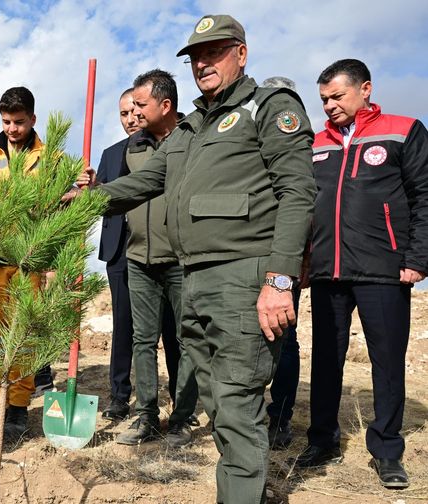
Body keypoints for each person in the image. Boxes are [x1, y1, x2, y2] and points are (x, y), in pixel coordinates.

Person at [70, 15, 315, 503]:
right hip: (195, 277)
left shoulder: (267, 107)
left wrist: (281, 280)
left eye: (215, 52)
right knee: (215, 398)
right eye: (196, 56)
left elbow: (297, 193)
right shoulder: (190, 127)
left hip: (245, 276)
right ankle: (249, 485)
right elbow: (143, 182)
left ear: (241, 54)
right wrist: (82, 201)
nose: (203, 62)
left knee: (238, 397)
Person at [294, 59, 428, 490]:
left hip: (384, 269)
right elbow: (303, 205)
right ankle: (322, 440)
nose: (329, 106)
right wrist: (304, 260)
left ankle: (387, 449)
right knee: (326, 361)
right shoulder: (316, 143)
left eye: (337, 96)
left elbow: (424, 196)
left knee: (386, 361)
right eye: (324, 100)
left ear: (365, 88)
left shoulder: (403, 130)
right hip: (328, 270)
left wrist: (417, 258)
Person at [108, 70, 199, 450]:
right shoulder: (134, 147)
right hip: (138, 257)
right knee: (143, 340)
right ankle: (146, 413)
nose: (135, 112)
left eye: (141, 105)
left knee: (185, 338)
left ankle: (181, 417)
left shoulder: (194, 140)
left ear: (165, 106)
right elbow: (131, 192)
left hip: (180, 257)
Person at [0, 86, 45, 439]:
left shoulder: (49, 159)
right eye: (6, 122)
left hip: (28, 260)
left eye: (19, 122)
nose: (12, 129)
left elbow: (55, 208)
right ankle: (0, 401)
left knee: (23, 335)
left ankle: (17, 409)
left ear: (33, 119)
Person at [260, 76, 303, 451]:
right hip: (247, 255)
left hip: (284, 262)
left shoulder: (302, 145)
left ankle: (280, 417)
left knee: (284, 340)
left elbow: (301, 201)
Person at [95, 88, 139, 421]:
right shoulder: (110, 154)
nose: (131, 118)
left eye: (136, 110)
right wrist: (91, 188)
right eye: (124, 113)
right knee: (122, 325)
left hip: (155, 247)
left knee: (168, 327)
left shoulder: (165, 148)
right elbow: (99, 202)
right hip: (118, 251)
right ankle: (119, 396)